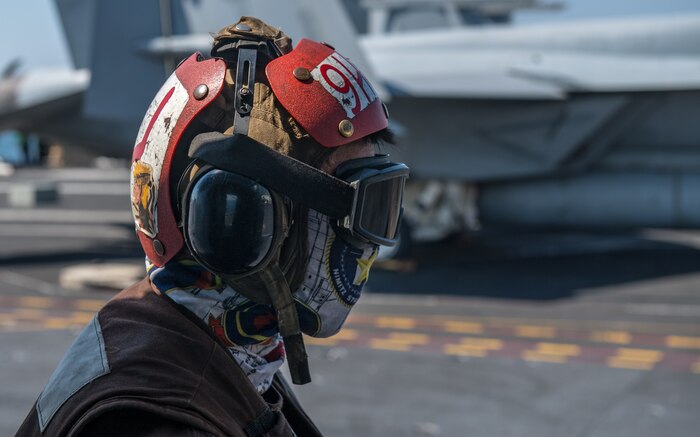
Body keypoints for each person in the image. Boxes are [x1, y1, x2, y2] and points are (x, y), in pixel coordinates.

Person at [16, 16, 408, 437]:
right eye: (361, 208)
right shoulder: (155, 419)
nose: (371, 243)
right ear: (240, 229)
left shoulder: (218, 352)